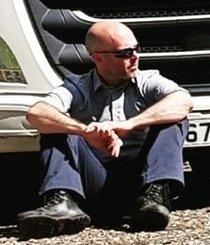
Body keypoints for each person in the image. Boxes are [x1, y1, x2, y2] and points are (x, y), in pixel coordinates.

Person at [18, 20, 193, 237]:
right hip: (95, 183)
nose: (135, 57)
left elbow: (183, 100)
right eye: (125, 53)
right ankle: (62, 204)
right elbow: (36, 113)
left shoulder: (148, 81)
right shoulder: (77, 87)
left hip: (140, 184)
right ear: (98, 58)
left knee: (174, 120)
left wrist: (128, 125)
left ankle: (155, 198)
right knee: (57, 126)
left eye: (137, 49)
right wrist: (84, 131)